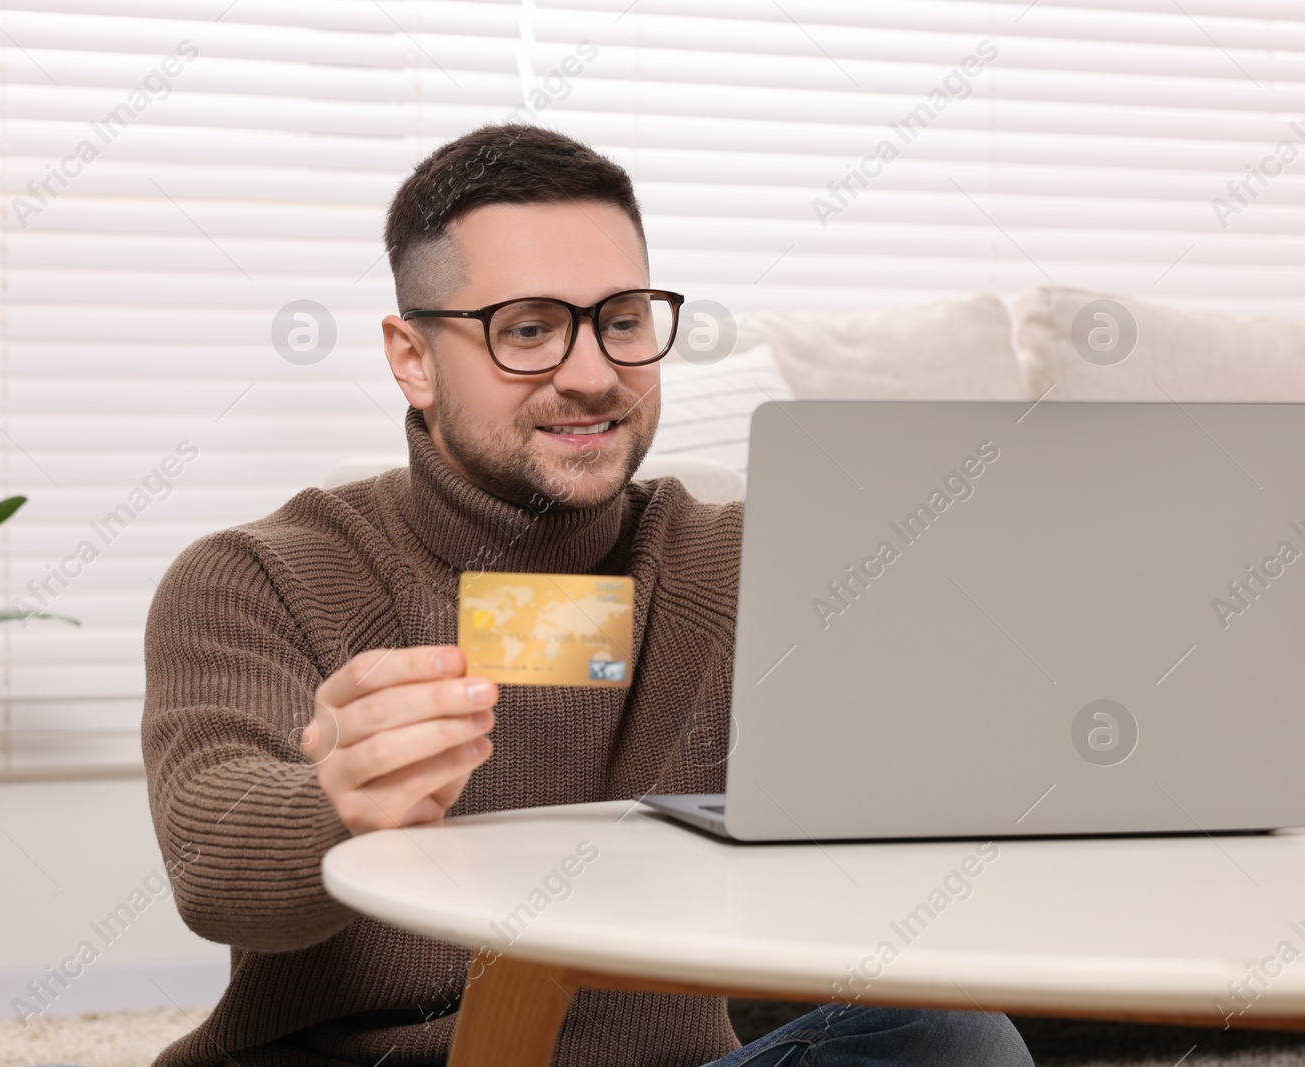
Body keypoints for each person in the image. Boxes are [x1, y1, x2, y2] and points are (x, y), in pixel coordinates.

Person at [140, 123, 1034, 1067]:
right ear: (412, 357)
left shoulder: (744, 564)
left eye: (622, 320)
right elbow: (211, 866)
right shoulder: (258, 575)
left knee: (952, 1034)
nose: (595, 375)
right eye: (527, 329)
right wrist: (335, 799)